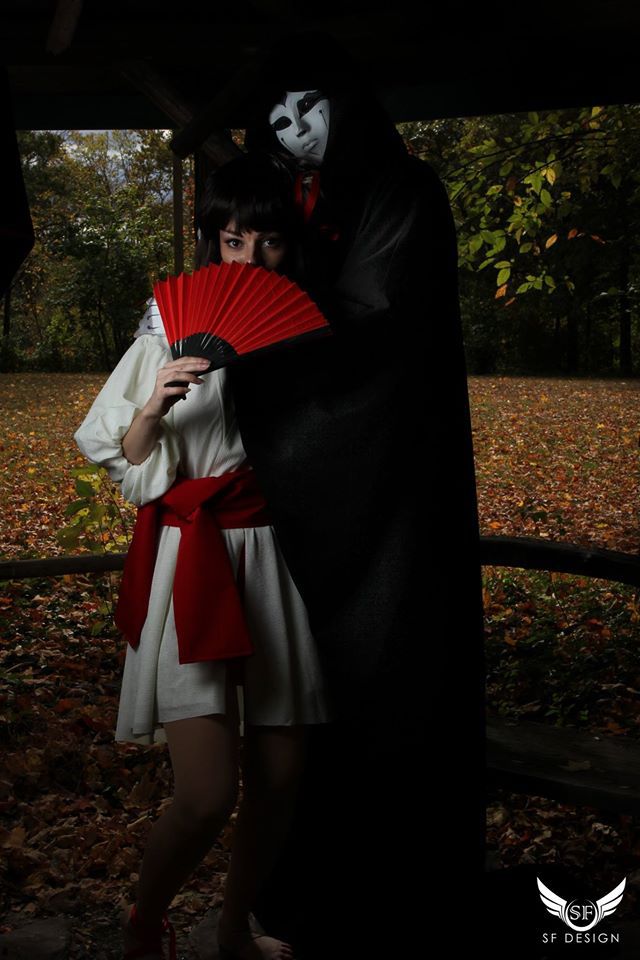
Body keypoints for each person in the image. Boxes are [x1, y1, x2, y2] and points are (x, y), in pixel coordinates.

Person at [221, 32, 486, 960]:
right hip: (308, 494)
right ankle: (300, 888)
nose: (294, 128)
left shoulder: (405, 191)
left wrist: (261, 345)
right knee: (309, 690)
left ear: (351, 103)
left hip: (392, 475)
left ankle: (397, 898)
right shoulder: (285, 200)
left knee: (395, 669)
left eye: (312, 107)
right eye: (278, 115)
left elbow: (374, 323)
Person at [74, 152, 331, 960]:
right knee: (209, 792)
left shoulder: (306, 332)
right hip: (197, 558)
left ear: (291, 245)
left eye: (269, 242)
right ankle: (145, 922)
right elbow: (120, 452)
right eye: (232, 241)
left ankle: (230, 930)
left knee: (281, 780)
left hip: (276, 562)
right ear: (212, 241)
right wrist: (155, 404)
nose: (250, 260)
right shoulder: (167, 328)